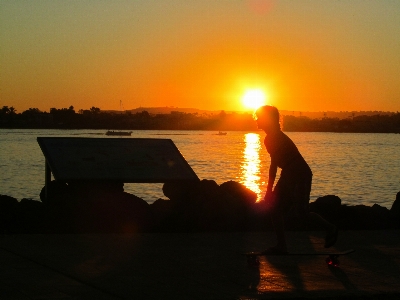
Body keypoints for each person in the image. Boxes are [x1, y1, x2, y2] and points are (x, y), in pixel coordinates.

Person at [254, 105, 338, 254]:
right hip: (288, 174)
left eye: (259, 117)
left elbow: (273, 165)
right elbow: (277, 165)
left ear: (269, 120)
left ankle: (330, 228)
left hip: (300, 174)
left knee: (302, 213)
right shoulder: (270, 138)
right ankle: (281, 246)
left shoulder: (274, 137)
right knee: (276, 210)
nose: (256, 119)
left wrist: (269, 190)